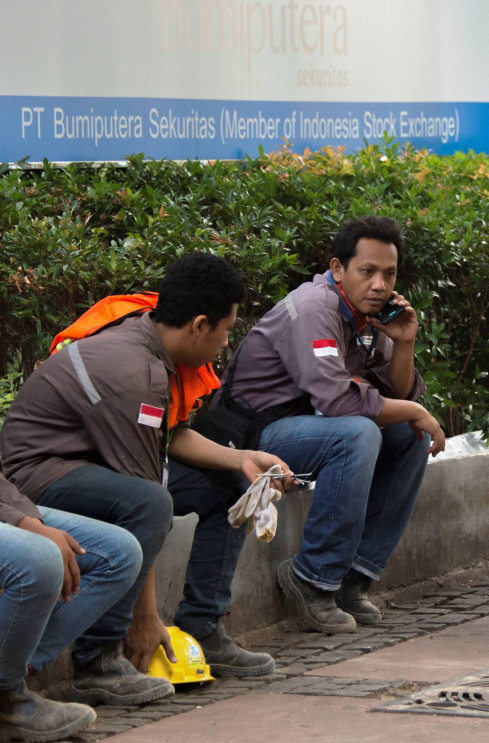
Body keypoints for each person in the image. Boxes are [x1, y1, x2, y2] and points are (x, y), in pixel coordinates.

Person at [0, 253, 290, 705]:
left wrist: (242, 460)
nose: (225, 343)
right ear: (198, 324)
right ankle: (97, 660)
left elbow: (168, 437)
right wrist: (146, 617)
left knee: (229, 487)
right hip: (34, 477)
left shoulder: (149, 337)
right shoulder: (134, 375)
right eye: (226, 329)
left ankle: (204, 626)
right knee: (149, 504)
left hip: (87, 464)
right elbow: (145, 497)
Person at [178, 215, 445, 636]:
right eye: (368, 272)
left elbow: (402, 394)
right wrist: (411, 410)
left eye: (389, 274)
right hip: (255, 433)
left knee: (409, 437)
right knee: (358, 433)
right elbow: (340, 403)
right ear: (338, 269)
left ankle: (354, 579)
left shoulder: (366, 315)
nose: (379, 284)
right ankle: (312, 577)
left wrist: (405, 343)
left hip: (305, 426)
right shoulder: (314, 309)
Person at [1, 471, 141, 740]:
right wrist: (25, 525)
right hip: (46, 472)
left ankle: (13, 671)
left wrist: (29, 520)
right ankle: (7, 697)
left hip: (9, 501)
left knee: (121, 552)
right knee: (39, 559)